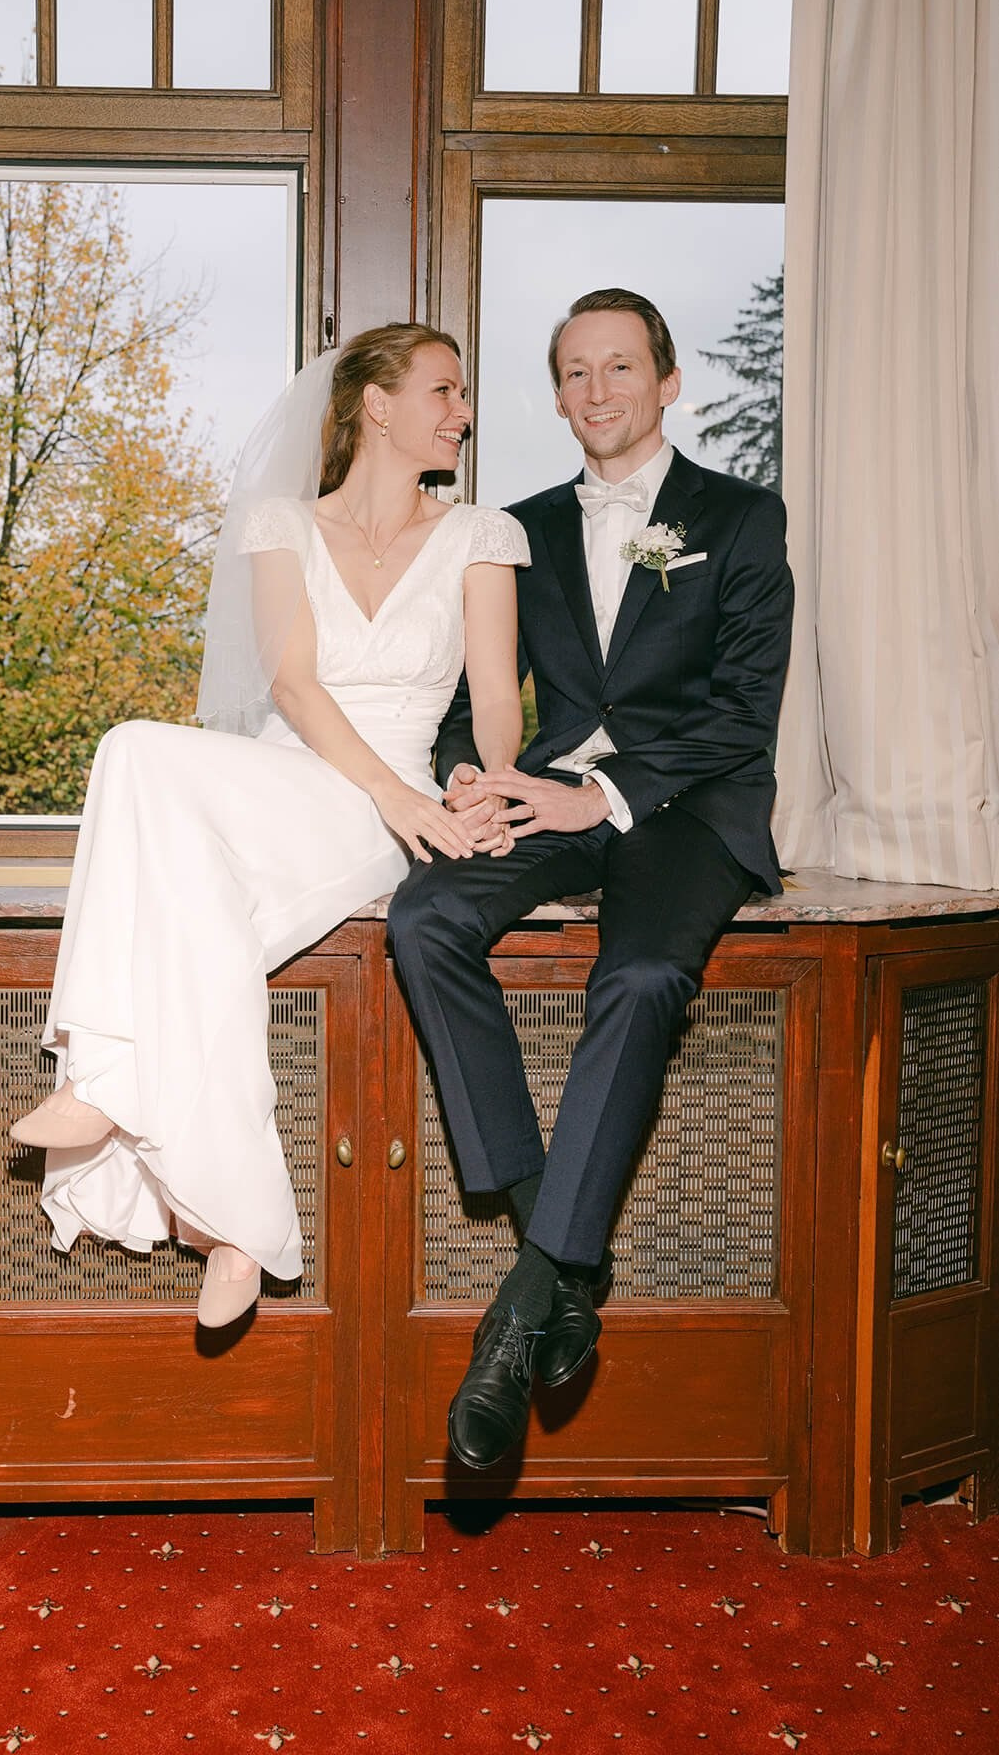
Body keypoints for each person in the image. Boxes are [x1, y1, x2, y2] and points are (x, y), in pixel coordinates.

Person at [9, 323, 530, 1329]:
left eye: (464, 396)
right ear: (377, 406)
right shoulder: (281, 525)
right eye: (444, 391)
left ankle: (117, 1084)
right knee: (134, 759)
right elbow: (291, 686)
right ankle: (235, 1221)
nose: (462, 413)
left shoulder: (482, 536)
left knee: (144, 779)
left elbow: (497, 697)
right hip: (309, 777)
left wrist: (486, 786)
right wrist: (393, 792)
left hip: (386, 812)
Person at [387, 287, 794, 1470]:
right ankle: (561, 1255)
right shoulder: (511, 530)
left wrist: (604, 796)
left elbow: (742, 713)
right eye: (575, 372)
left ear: (667, 382)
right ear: (557, 394)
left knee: (648, 972)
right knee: (425, 918)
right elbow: (476, 704)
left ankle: (517, 1317)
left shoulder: (744, 516)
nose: (598, 391)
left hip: (686, 806)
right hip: (547, 793)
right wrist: (471, 776)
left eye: (620, 368)